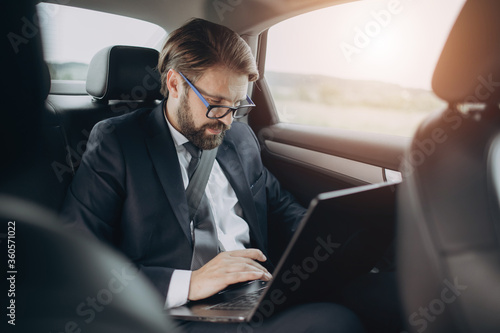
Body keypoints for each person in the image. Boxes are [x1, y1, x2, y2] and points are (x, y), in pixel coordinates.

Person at [60, 18, 367, 332]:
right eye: (216, 104)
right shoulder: (118, 142)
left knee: (365, 305)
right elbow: (78, 258)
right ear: (175, 84)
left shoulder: (241, 139)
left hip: (257, 292)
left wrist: (335, 245)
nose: (228, 121)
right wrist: (191, 283)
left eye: (237, 105)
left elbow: (279, 207)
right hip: (174, 312)